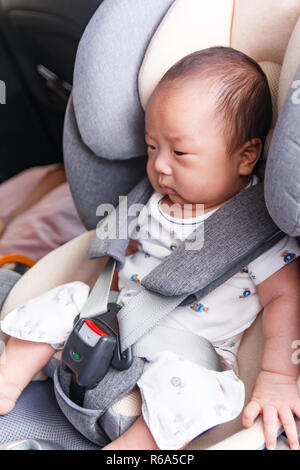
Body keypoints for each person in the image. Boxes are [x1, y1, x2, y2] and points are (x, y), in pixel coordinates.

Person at [0, 47, 300, 451]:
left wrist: (278, 378)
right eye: (152, 147)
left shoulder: (258, 233)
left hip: (185, 357)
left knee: (198, 392)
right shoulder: (152, 201)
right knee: (67, 297)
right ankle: (9, 377)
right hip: (110, 332)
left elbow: (286, 296)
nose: (160, 166)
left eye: (179, 152)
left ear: (246, 156)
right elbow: (122, 249)